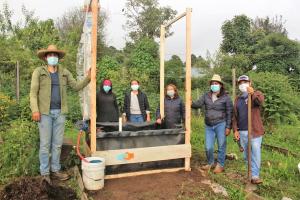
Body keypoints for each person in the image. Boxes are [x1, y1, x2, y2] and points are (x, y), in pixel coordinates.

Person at [30, 45, 91, 183]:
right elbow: (33, 93)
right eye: (50, 55)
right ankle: (45, 173)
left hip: (60, 113)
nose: (53, 57)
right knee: (45, 144)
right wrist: (35, 110)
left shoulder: (64, 72)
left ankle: (55, 170)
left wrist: (88, 78)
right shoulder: (39, 72)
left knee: (57, 144)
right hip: (44, 113)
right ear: (46, 57)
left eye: (55, 55)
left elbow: (75, 86)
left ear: (58, 58)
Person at [191, 74, 233, 173]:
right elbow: (198, 104)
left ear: (220, 85)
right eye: (212, 83)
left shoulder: (226, 97)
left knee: (221, 145)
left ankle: (220, 165)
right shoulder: (206, 95)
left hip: (221, 124)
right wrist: (190, 102)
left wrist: (228, 127)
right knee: (208, 147)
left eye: (216, 83)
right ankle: (210, 163)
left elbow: (230, 112)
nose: (214, 85)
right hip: (209, 125)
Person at [232, 75, 264, 184]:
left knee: (255, 153)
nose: (242, 84)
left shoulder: (256, 94)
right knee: (246, 155)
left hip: (255, 131)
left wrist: (252, 93)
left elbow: (260, 101)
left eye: (245, 82)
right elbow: (234, 117)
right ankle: (249, 173)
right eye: (240, 83)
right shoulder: (237, 99)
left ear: (250, 83)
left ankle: (255, 176)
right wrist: (235, 130)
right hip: (243, 131)